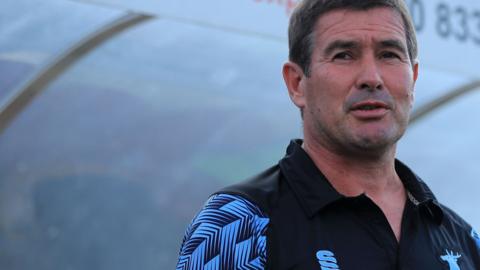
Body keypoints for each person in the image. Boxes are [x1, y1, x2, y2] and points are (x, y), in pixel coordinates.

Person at [176, 0, 480, 269]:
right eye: (344, 55)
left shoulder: (463, 239)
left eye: (388, 54)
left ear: (413, 78)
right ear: (297, 83)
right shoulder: (240, 223)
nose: (371, 78)